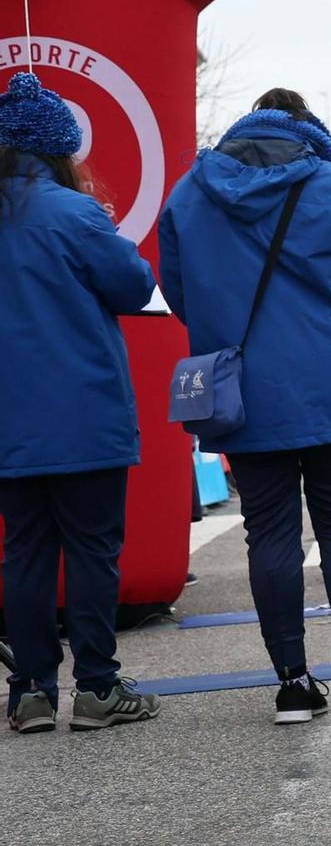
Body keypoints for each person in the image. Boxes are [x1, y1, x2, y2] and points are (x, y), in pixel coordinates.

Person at [159, 89, 331, 724]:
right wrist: (325, 301)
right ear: (307, 131)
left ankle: (293, 684)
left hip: (242, 392)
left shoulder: (190, 194)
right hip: (330, 382)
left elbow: (181, 294)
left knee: (268, 533)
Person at [0, 73, 160, 732]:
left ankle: (31, 690)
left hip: (10, 421)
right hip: (85, 415)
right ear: (60, 149)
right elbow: (132, 284)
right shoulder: (74, 212)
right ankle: (97, 686)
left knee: (25, 553)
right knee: (93, 551)